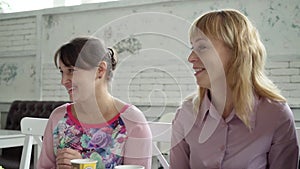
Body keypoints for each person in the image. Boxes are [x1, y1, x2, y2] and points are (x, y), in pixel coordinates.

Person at [170, 9, 299, 169]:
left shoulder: (275, 114)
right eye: (192, 48)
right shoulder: (185, 114)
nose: (191, 58)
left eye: (202, 47)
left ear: (237, 52)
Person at [37, 37, 152, 169]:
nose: (63, 81)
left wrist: (84, 166)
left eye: (71, 71)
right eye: (62, 72)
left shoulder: (132, 121)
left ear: (100, 70)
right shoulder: (58, 117)